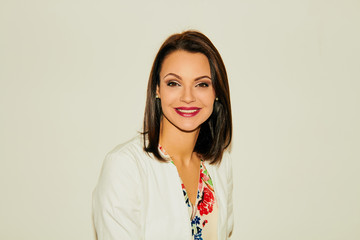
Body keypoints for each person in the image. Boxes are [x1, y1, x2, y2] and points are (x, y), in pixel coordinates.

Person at [93, 30, 233, 240]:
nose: (187, 97)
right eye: (173, 83)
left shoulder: (220, 165)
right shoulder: (125, 167)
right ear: (157, 89)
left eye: (202, 84)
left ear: (216, 93)